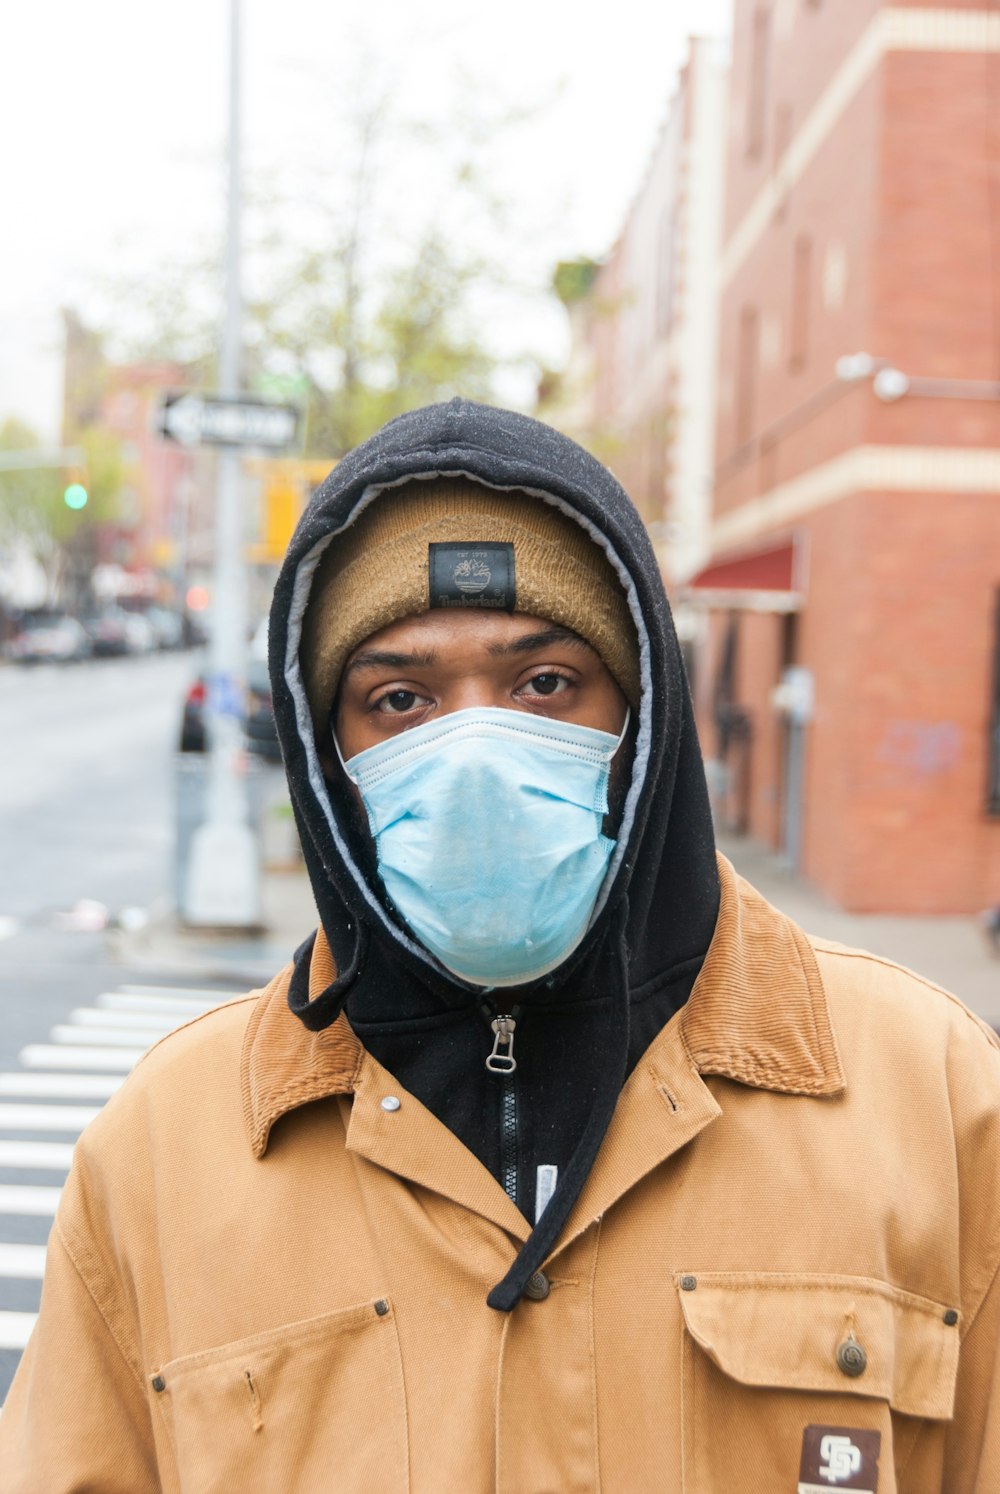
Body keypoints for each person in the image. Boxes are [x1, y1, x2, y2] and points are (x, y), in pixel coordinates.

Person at [2, 398, 998, 1492]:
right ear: (328, 757)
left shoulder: (930, 1096)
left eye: (543, 685)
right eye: (398, 698)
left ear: (643, 719)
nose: (471, 748)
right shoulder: (164, 1148)